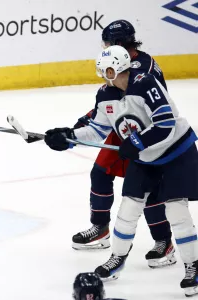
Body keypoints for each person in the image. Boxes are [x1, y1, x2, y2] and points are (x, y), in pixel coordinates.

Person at [45, 45, 198, 296]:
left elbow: (166, 122)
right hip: (146, 158)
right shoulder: (106, 95)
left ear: (112, 68)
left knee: (177, 211)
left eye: (105, 71)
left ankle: (193, 266)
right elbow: (97, 129)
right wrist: (69, 136)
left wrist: (136, 142)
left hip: (176, 153)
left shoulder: (145, 83)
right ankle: (117, 258)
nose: (104, 76)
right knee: (128, 208)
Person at [71, 19, 175, 269]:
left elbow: (126, 101)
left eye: (107, 43)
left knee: (147, 188)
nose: (104, 47)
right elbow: (112, 103)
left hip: (148, 131)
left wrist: (88, 119)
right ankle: (100, 228)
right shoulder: (126, 61)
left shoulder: (142, 69)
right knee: (100, 172)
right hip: (124, 125)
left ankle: (164, 242)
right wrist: (86, 121)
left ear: (118, 43)